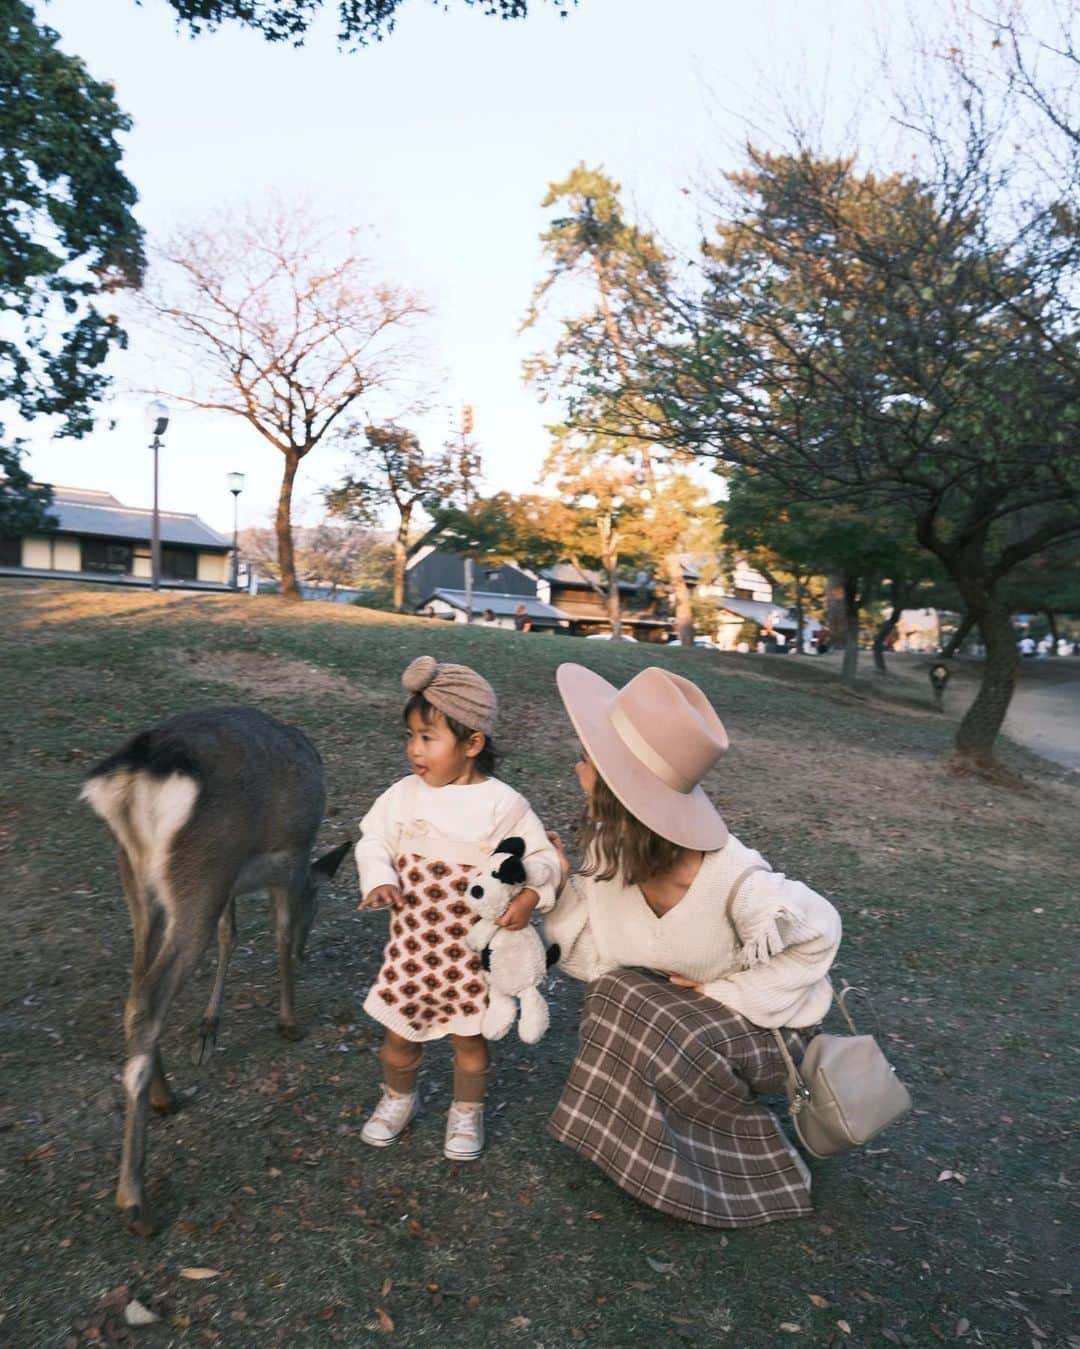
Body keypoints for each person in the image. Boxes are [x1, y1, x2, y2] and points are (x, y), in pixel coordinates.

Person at [543, 663, 842, 1228]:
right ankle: (655, 1166)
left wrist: (724, 990)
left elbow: (821, 934)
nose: (577, 766)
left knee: (655, 1020)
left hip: (773, 1024)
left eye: (588, 757)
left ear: (616, 783)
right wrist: (559, 890)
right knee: (615, 995)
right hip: (693, 1016)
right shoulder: (612, 855)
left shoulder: (739, 882)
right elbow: (599, 960)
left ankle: (759, 1174)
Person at [355, 655, 560, 1161]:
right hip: (411, 953)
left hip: (470, 959)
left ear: (472, 744)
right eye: (410, 736)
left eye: (428, 738)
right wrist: (380, 878)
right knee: (398, 1038)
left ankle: (466, 1110)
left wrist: (530, 899)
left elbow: (542, 859)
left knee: (469, 1044)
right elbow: (372, 841)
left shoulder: (502, 805)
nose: (414, 751)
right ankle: (397, 1097)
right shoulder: (403, 796)